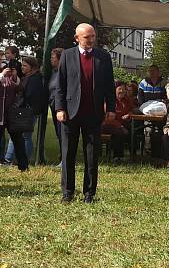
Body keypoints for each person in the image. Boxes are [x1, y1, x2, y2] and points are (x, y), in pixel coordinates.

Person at [53, 23, 115, 203]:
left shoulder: (103, 57)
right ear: (77, 38)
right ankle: (68, 192)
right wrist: (60, 108)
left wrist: (111, 108)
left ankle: (89, 193)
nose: (91, 40)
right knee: (68, 153)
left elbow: (109, 86)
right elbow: (60, 85)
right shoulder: (67, 55)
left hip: (93, 113)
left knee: (91, 154)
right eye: (87, 37)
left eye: (93, 36)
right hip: (70, 113)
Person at [4, 56, 43, 165]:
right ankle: (14, 158)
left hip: (28, 110)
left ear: (32, 67)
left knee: (25, 136)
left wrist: (18, 102)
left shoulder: (34, 78)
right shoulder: (29, 77)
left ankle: (18, 159)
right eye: (22, 65)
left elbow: (29, 94)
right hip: (26, 109)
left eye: (25, 65)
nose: (22, 67)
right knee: (21, 135)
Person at [101, 84, 134, 162]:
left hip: (123, 124)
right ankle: (117, 157)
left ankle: (133, 155)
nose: (122, 91)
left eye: (123, 89)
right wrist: (121, 126)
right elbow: (108, 118)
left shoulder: (126, 100)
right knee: (119, 132)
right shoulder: (109, 101)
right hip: (108, 124)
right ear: (115, 90)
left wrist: (129, 114)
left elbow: (132, 109)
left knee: (133, 130)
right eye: (119, 89)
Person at [47, 47, 64, 164]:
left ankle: (64, 158)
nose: (51, 60)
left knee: (63, 132)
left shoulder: (64, 73)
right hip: (53, 105)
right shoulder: (53, 72)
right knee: (59, 133)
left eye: (53, 58)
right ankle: (62, 155)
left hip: (61, 107)